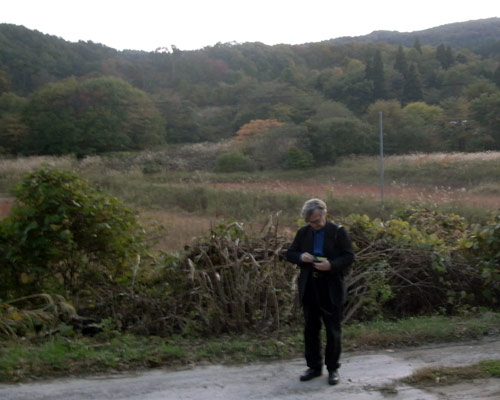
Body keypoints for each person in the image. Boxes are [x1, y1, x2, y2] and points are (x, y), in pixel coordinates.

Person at [286, 198, 355, 385]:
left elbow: (349, 256)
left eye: (317, 221)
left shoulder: (338, 232)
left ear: (325, 214)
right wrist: (301, 256)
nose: (314, 225)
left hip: (331, 286)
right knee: (310, 329)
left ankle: (333, 369)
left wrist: (331, 265)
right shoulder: (303, 232)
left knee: (332, 330)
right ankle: (314, 367)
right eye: (311, 222)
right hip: (309, 286)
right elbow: (289, 254)